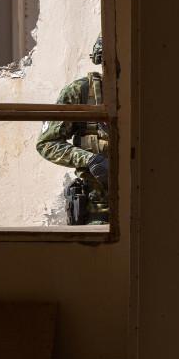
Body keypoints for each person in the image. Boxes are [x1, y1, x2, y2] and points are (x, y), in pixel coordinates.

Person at [37, 35, 109, 225]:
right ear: (101, 60)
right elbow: (47, 144)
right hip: (97, 211)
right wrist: (90, 159)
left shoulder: (149, 95)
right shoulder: (80, 92)